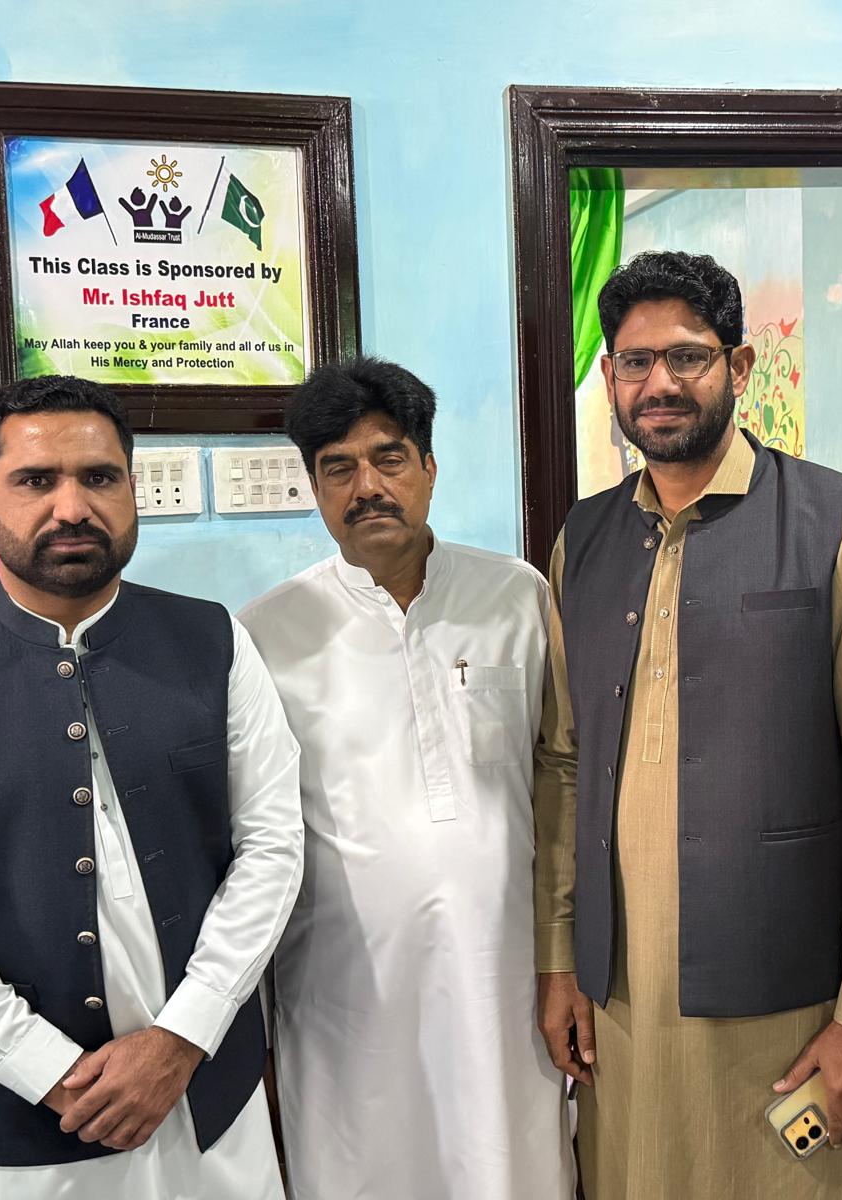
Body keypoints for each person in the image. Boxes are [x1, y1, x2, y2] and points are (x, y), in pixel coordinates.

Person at [0, 375, 304, 1199]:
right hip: (23, 1124)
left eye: (99, 477)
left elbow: (271, 848)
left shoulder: (214, 641)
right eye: (35, 480)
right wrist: (46, 1070)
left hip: (209, 1097)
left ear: (133, 488)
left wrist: (183, 1038)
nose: (72, 507)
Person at [534, 250, 842, 1199]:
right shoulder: (583, 540)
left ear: (738, 367)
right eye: (635, 362)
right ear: (610, 377)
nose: (659, 384)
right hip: (621, 1002)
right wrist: (559, 961)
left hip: (787, 1003)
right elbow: (565, 765)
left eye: (687, 357)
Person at [238, 357, 572, 1200]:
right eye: (338, 468)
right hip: (346, 997)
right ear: (315, 487)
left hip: (507, 979)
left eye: (388, 458)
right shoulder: (267, 635)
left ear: (428, 466)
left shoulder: (517, 598)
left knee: (512, 1166)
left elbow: (560, 781)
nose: (367, 488)